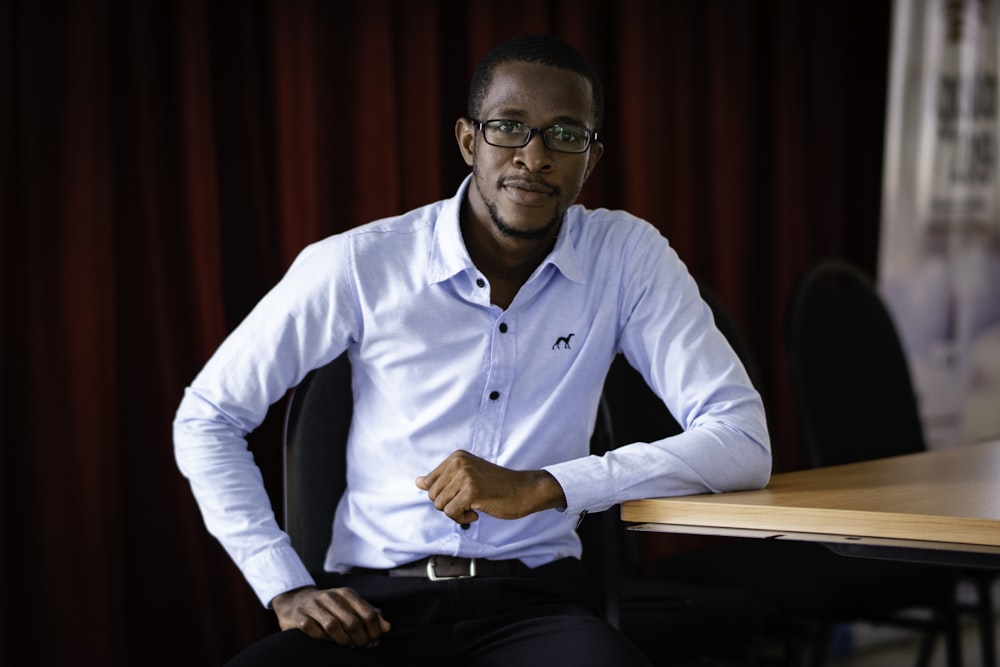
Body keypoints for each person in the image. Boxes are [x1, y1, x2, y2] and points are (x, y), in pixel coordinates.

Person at [173, 33, 771, 666]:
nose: (534, 157)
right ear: (468, 142)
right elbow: (207, 416)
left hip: (535, 607)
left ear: (591, 158)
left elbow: (743, 442)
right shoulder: (359, 263)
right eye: (509, 128)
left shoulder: (626, 258)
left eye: (565, 135)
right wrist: (283, 584)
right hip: (374, 611)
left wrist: (546, 485)